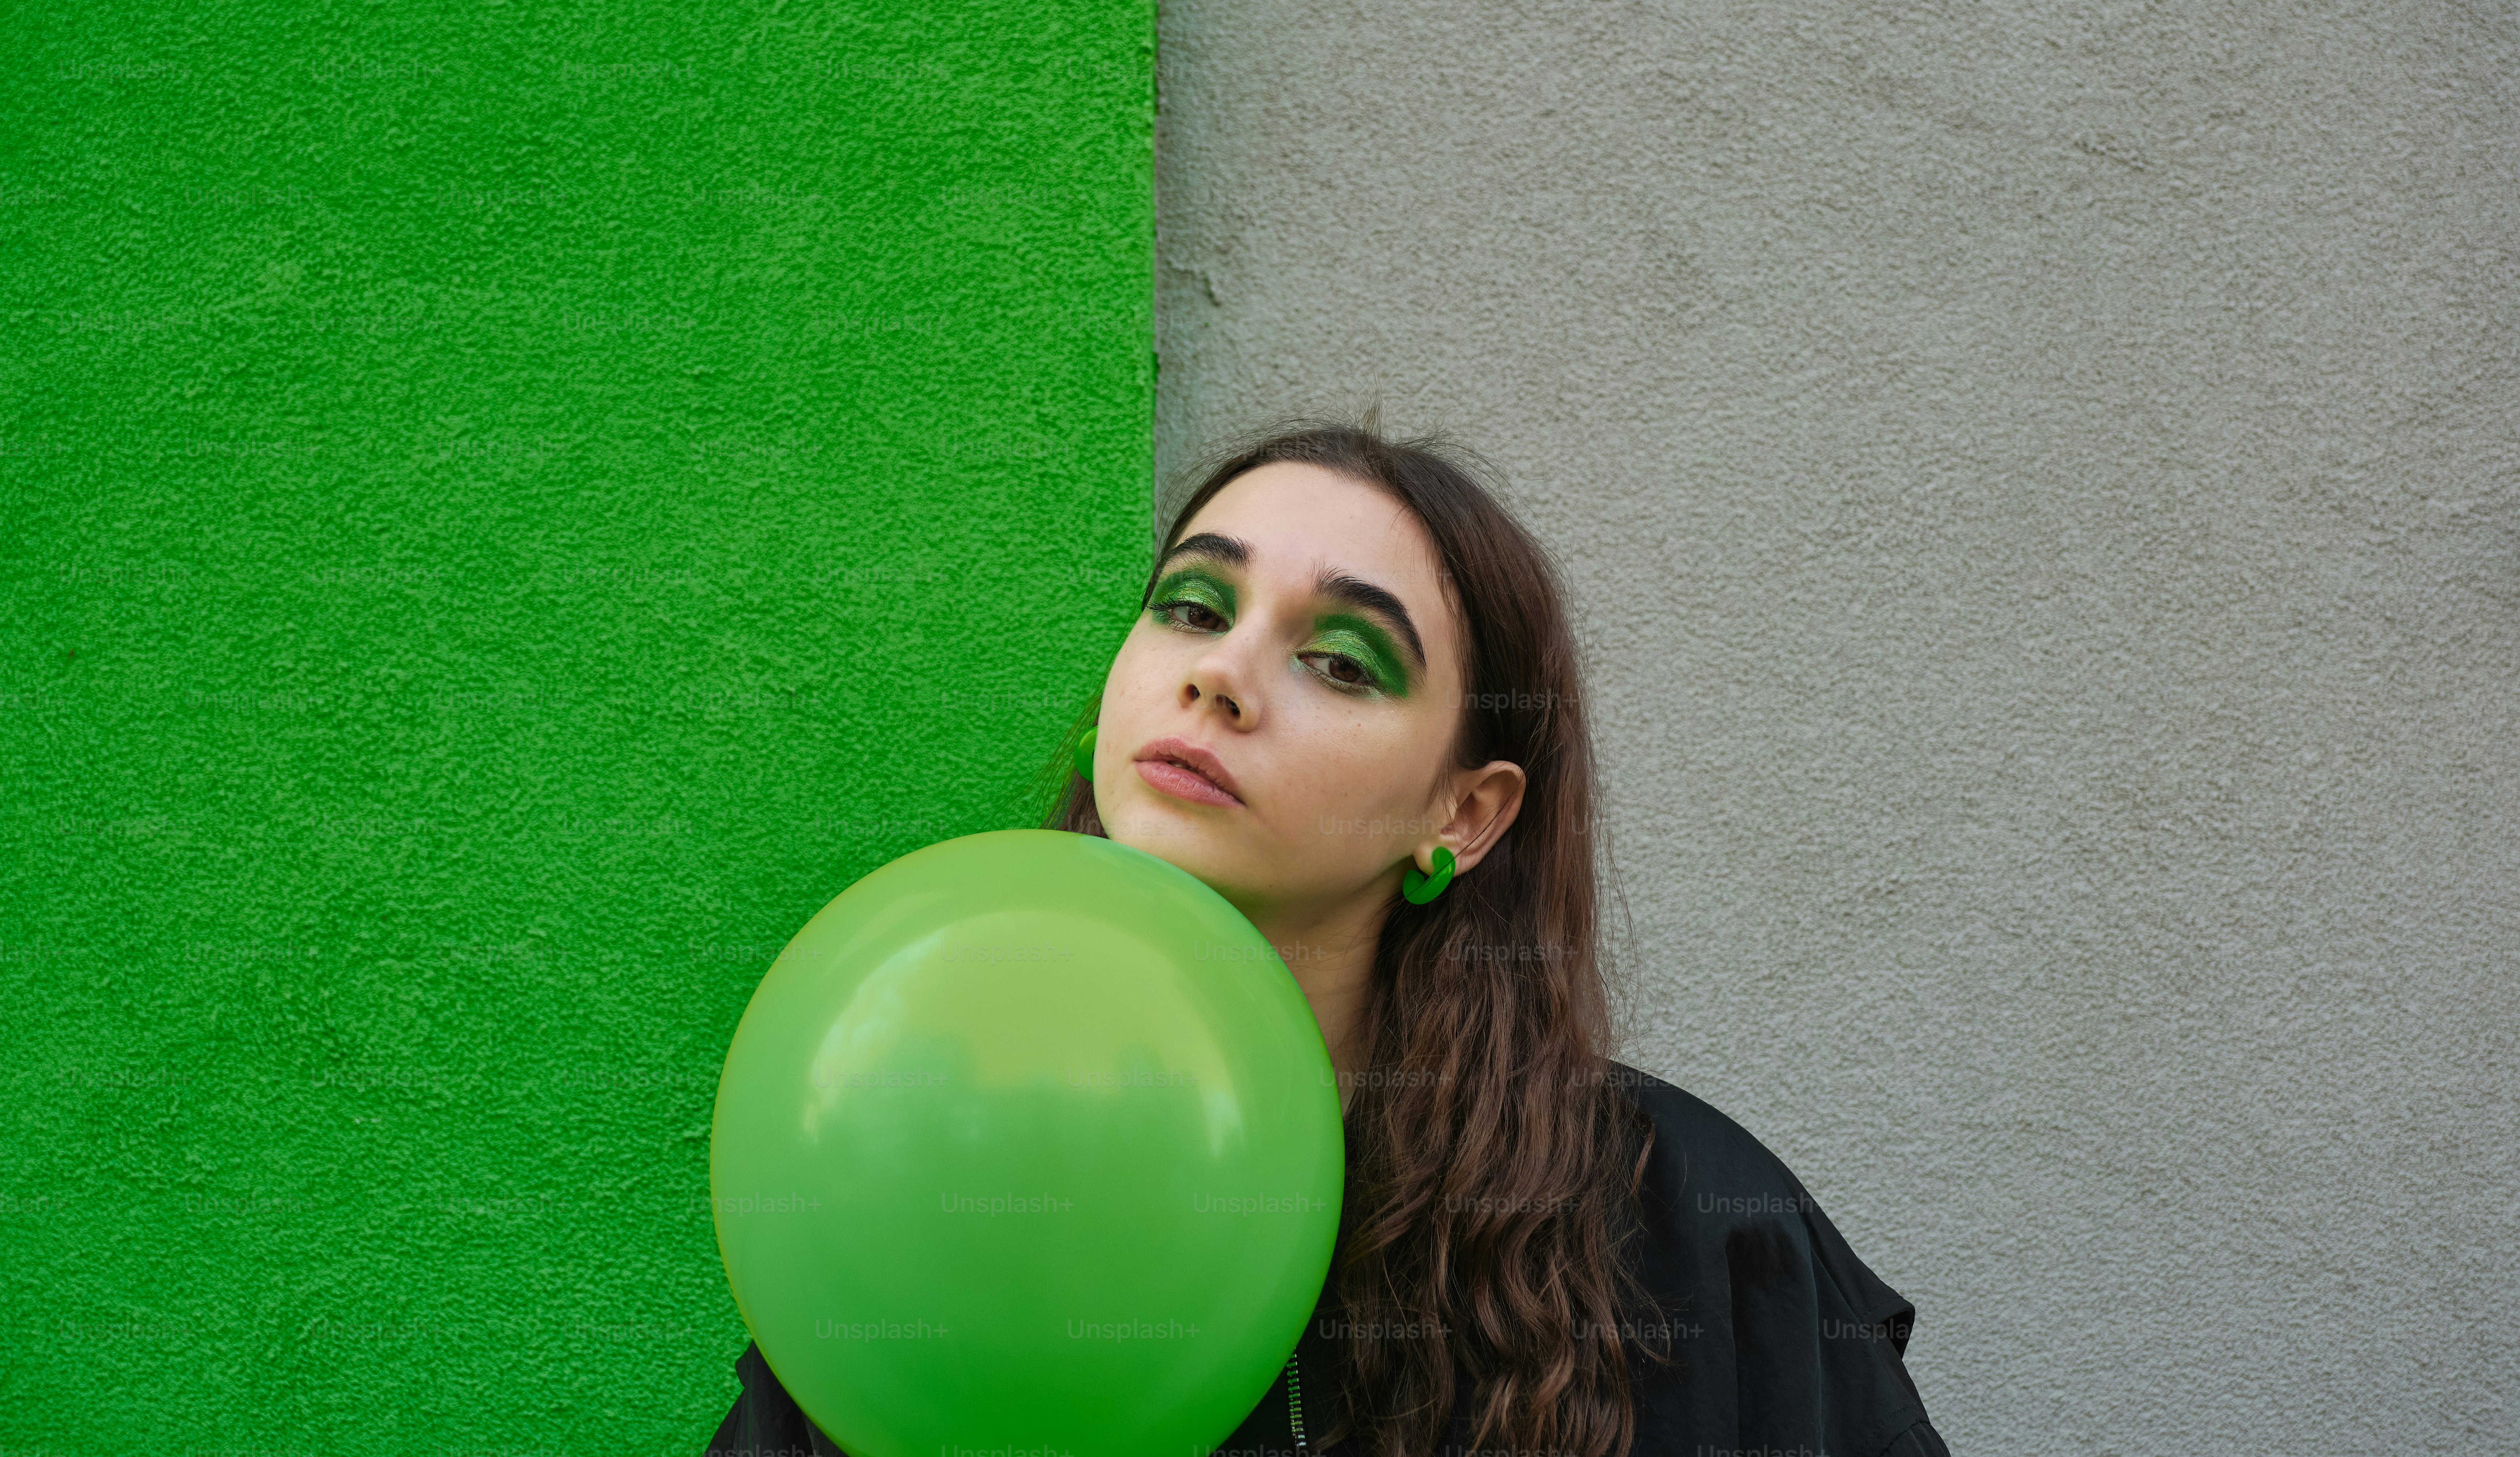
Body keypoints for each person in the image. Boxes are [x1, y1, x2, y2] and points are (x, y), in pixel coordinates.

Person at [708, 418, 1949, 1457]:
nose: (1224, 675)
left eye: (1343, 661)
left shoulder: (1691, 1230)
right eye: (1193, 606)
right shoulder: (915, 1176)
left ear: (1462, 815)